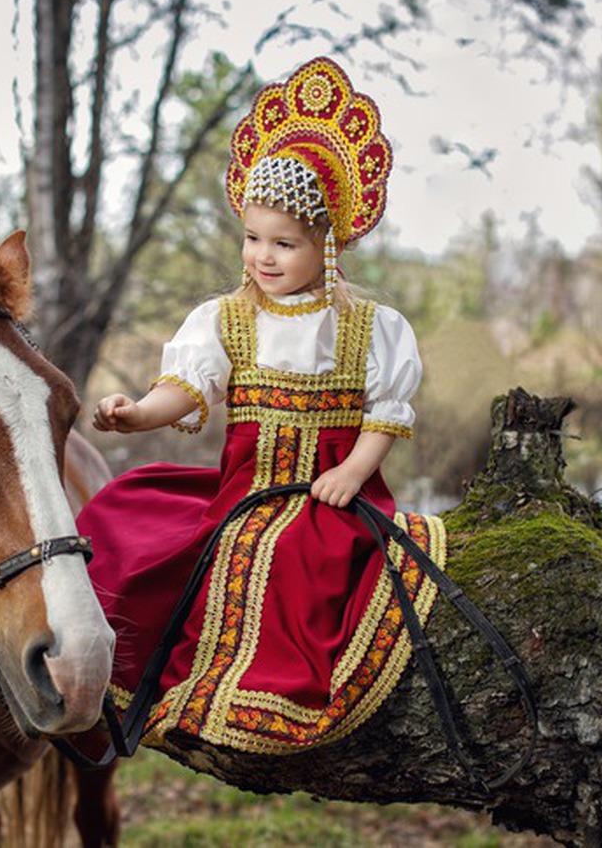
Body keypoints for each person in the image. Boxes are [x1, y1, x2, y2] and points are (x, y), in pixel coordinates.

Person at [77, 56, 443, 754]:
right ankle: (153, 691)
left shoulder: (369, 327)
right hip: (241, 492)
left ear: (326, 244)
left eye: (285, 243)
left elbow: (385, 413)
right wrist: (136, 413)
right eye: (252, 239)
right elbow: (186, 389)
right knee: (128, 516)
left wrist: (355, 472)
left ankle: (262, 706)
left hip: (329, 499)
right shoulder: (228, 319)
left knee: (290, 561)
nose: (263, 257)